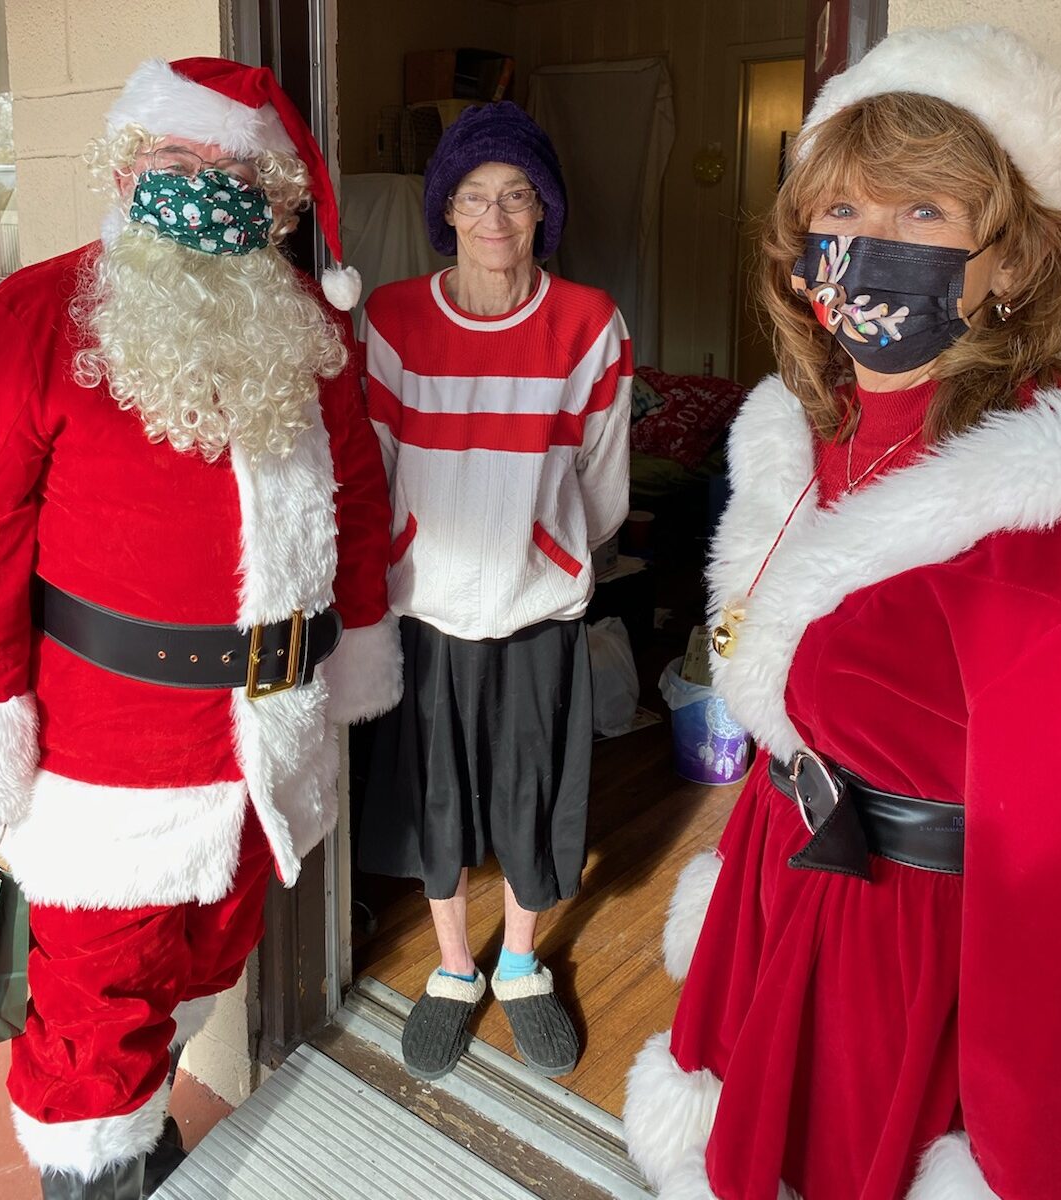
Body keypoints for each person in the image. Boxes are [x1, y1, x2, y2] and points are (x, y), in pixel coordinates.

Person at [0, 56, 401, 1200]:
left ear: (274, 202)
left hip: (267, 745)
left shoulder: (307, 328)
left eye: (234, 170)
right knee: (93, 1023)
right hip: (105, 768)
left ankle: (141, 1130)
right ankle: (98, 1171)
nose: (202, 183)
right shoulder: (37, 314)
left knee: (209, 962)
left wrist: (361, 642)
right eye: (176, 157)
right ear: (127, 170)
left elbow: (355, 496)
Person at [623, 25, 1061, 1200]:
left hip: (908, 937)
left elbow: (1044, 851)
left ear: (1009, 260)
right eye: (842, 209)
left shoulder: (1032, 497)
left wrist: (1018, 1119)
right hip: (777, 866)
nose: (870, 243)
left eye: (924, 210)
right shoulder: (796, 432)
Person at [358, 102, 632, 1082]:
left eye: (517, 196)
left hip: (534, 609)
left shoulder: (590, 324)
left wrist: (543, 548)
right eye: (474, 197)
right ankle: (453, 968)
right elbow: (374, 467)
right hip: (426, 609)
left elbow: (602, 486)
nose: (496, 218)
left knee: (529, 797)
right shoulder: (390, 319)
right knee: (436, 800)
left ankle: (519, 965)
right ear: (446, 209)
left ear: (543, 209)